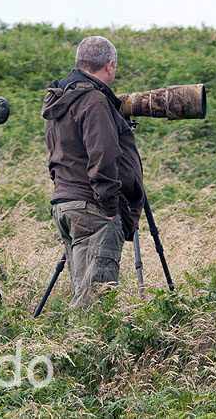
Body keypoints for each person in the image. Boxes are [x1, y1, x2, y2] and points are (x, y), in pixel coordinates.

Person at [42, 36, 146, 308]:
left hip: (67, 201)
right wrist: (110, 207)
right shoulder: (94, 100)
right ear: (110, 66)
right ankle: (83, 349)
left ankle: (73, 346)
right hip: (92, 208)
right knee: (95, 303)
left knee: (83, 292)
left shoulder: (62, 98)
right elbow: (104, 155)